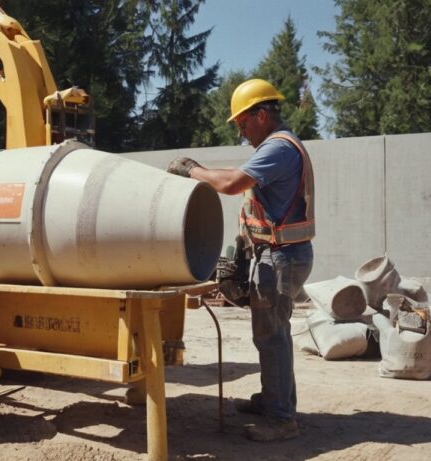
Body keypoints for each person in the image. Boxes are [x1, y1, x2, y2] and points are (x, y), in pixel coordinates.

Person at [167, 78, 315, 442]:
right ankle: (273, 401)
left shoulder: (279, 148)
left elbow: (233, 183)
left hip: (282, 258)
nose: (242, 132)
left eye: (244, 123)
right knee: (270, 334)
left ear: (262, 115)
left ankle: (281, 419)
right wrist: (245, 246)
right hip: (279, 254)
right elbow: (257, 201)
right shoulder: (278, 146)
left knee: (272, 337)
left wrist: (192, 170)